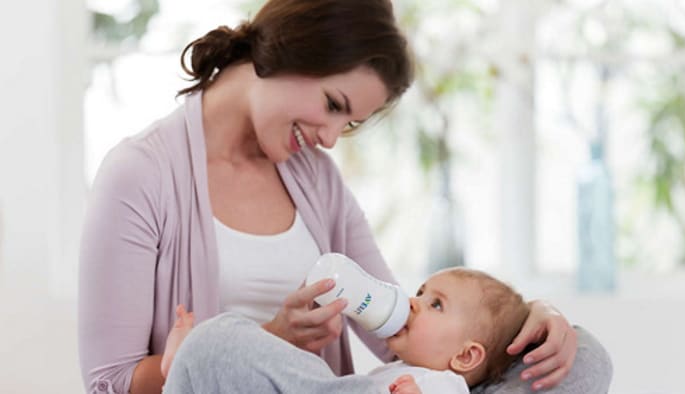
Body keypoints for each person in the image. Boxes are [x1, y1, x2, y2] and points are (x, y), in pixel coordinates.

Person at [78, 0, 610, 393]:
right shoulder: (140, 176)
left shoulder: (317, 181)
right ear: (288, 52)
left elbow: (403, 327)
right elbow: (109, 380)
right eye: (333, 104)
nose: (331, 138)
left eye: (348, 122)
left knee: (582, 354)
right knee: (220, 342)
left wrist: (529, 318)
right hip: (224, 380)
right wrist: (271, 338)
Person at [162, 267, 534, 394]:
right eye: (419, 291)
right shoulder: (385, 375)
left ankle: (192, 360)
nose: (412, 301)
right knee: (226, 339)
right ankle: (190, 366)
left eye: (436, 304)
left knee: (226, 336)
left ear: (465, 356)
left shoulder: (444, 384)